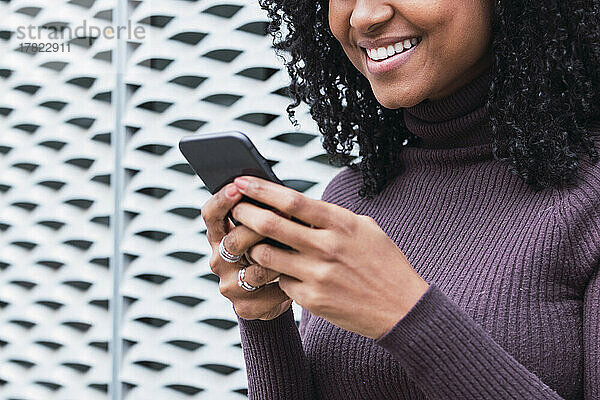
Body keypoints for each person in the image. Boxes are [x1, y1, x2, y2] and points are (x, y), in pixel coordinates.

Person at [201, 0, 600, 398]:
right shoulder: (353, 196)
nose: (364, 15)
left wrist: (405, 314)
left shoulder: (589, 201)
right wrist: (266, 321)